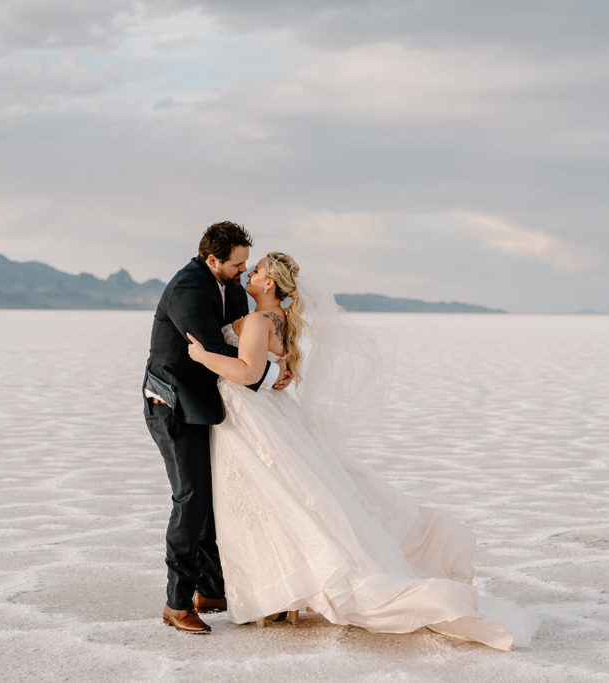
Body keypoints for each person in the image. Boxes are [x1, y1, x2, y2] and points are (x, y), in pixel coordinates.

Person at [186, 252, 536, 650]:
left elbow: (248, 373)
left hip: (251, 418)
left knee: (268, 504)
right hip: (275, 416)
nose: (250, 272)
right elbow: (275, 369)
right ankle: (284, 596)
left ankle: (280, 595)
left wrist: (202, 356)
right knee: (289, 502)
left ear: (269, 284)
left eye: (258, 268)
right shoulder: (281, 319)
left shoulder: (257, 320)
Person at [144, 222, 291, 634]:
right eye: (238, 263)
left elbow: (247, 338)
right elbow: (213, 348)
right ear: (212, 260)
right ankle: (176, 604)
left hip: (210, 402)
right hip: (172, 404)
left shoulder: (230, 284)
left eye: (248, 263)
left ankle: (211, 590)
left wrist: (277, 362)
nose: (245, 271)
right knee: (190, 497)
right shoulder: (188, 288)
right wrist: (265, 371)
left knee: (213, 495)